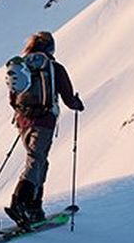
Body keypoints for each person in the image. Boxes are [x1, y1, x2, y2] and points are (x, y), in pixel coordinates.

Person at [6, 31, 84, 225]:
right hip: (45, 121)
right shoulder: (54, 68)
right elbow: (68, 98)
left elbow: (12, 97)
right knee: (36, 160)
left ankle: (34, 206)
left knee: (40, 161)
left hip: (23, 121)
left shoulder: (21, 66)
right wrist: (77, 104)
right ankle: (20, 202)